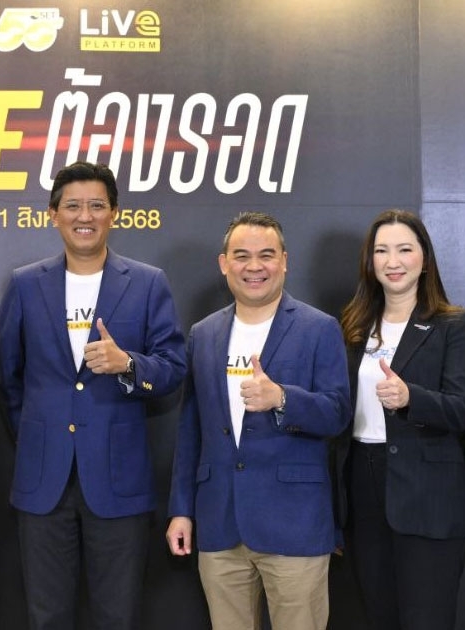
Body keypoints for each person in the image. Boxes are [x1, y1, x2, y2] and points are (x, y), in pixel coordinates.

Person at [0, 161, 186, 630]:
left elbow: (173, 368)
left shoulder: (147, 282)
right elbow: (8, 378)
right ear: (53, 214)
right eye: (73, 206)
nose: (85, 216)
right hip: (44, 481)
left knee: (118, 616)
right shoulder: (25, 283)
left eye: (97, 205)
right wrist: (40, 436)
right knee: (47, 616)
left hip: (119, 479)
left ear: (114, 213)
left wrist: (129, 365)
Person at [166, 211, 350, 630]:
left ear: (284, 261)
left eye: (266, 255)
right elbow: (190, 430)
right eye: (242, 255)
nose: (254, 267)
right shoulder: (203, 334)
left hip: (295, 526)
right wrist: (181, 510)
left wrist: (282, 398)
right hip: (219, 525)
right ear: (224, 263)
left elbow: (338, 413)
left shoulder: (319, 328)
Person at [336, 209, 465, 630]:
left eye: (404, 249)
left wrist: (410, 398)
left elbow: (464, 408)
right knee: (376, 614)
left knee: (426, 618)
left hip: (429, 493)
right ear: (370, 261)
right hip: (362, 487)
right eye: (381, 251)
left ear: (425, 258)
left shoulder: (454, 324)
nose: (392, 261)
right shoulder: (353, 325)